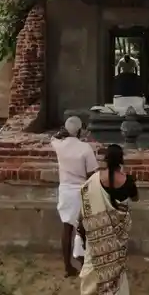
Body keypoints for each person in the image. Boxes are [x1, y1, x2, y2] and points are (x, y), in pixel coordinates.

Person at [77, 144, 139, 295]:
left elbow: (85, 199)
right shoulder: (128, 180)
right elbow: (135, 198)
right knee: (116, 262)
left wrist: (81, 227)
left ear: (105, 160)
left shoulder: (94, 180)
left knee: (94, 261)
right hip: (119, 232)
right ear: (121, 160)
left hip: (97, 234)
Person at [51, 116, 99, 278]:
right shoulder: (85, 148)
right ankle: (84, 263)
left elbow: (54, 137)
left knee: (67, 229)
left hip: (65, 189)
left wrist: (65, 131)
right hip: (81, 190)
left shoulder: (58, 145)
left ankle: (67, 267)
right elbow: (92, 173)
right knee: (84, 230)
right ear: (80, 130)